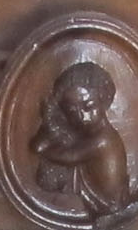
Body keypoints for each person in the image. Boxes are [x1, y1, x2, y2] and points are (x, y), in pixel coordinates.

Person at [29, 60, 132, 220]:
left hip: (105, 201)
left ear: (104, 100)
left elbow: (69, 157)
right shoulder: (86, 132)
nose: (82, 117)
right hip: (96, 188)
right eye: (72, 111)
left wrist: (46, 152)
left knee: (54, 175)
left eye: (89, 106)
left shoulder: (103, 140)